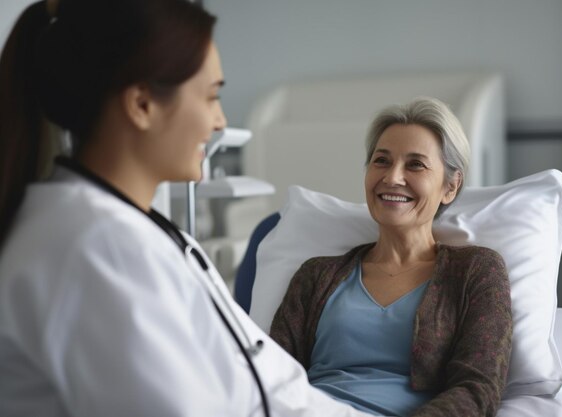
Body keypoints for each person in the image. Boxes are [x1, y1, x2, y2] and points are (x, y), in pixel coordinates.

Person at [0, 1, 380, 416]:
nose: (219, 121)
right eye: (211, 96)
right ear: (142, 105)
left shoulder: (135, 230)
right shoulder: (94, 246)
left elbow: (264, 380)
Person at [270, 97, 513, 417]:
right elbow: (270, 374)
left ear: (450, 187)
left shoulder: (475, 272)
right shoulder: (316, 275)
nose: (392, 177)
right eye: (381, 161)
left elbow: (477, 387)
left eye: (415, 164)